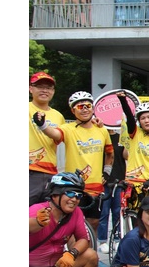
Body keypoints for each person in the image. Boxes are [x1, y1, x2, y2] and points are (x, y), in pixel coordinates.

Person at [33, 91, 113, 232]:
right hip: (75, 187)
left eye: (88, 106)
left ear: (93, 109)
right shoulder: (67, 129)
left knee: (93, 224)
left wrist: (106, 173)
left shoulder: (102, 130)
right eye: (80, 107)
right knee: (72, 225)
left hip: (96, 187)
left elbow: (110, 154)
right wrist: (43, 125)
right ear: (73, 110)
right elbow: (55, 134)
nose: (85, 109)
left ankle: (90, 253)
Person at [29, 172, 100, 267]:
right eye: (70, 193)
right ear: (55, 195)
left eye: (78, 195)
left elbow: (83, 240)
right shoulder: (37, 209)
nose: (74, 199)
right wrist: (37, 222)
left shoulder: (76, 213)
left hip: (58, 265)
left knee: (90, 256)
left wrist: (71, 253)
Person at [29, 72, 65, 205]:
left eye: (49, 87)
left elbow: (59, 137)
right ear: (30, 88)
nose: (44, 90)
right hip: (30, 171)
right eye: (40, 86)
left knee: (46, 217)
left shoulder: (58, 116)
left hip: (50, 173)